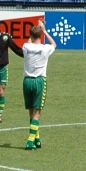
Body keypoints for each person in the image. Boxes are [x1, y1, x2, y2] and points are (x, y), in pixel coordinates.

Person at [22, 19, 56, 150]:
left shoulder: (26, 47)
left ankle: (37, 138)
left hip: (27, 81)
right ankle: (30, 141)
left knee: (31, 111)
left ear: (30, 35)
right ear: (40, 35)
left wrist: (37, 28)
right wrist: (44, 30)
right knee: (38, 112)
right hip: (39, 81)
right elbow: (54, 44)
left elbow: (28, 42)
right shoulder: (45, 48)